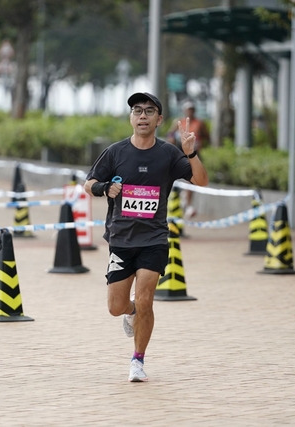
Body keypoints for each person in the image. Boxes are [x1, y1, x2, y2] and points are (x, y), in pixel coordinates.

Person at [84, 92, 208, 382]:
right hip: (121, 239)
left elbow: (201, 181)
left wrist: (190, 152)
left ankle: (137, 361)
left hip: (154, 240)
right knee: (116, 307)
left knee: (145, 300)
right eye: (137, 111)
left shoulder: (168, 154)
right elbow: (88, 183)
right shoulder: (115, 152)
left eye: (149, 111)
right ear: (131, 118)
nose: (143, 116)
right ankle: (130, 312)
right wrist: (104, 188)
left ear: (159, 119)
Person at [166, 100, 210, 218]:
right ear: (184, 110)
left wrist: (201, 143)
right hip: (180, 153)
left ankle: (188, 204)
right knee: (175, 177)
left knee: (193, 179)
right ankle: (175, 200)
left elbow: (207, 137)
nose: (190, 111)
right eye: (188, 109)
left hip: (194, 153)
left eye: (192, 109)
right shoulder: (179, 122)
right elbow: (169, 134)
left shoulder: (200, 123)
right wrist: (172, 139)